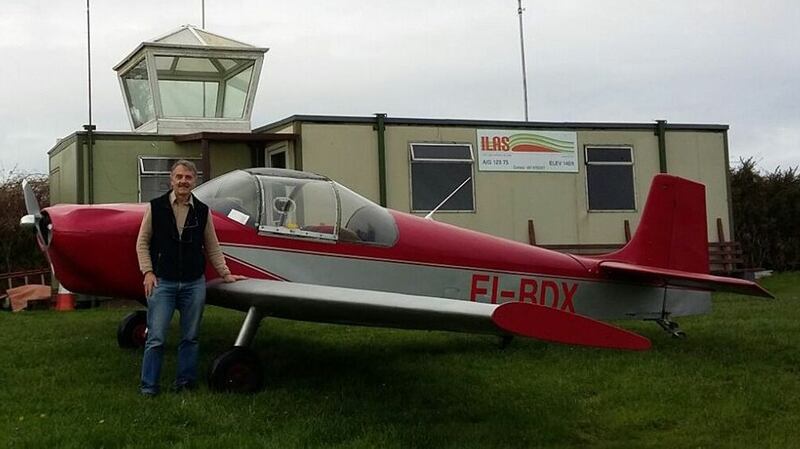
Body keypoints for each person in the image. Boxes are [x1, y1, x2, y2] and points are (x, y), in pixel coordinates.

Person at [136, 160, 245, 396]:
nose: (183, 181)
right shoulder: (155, 207)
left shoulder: (202, 211)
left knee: (191, 337)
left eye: (188, 177)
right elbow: (142, 243)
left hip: (193, 283)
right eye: (179, 177)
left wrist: (226, 274)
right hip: (162, 281)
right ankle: (149, 387)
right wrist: (148, 272)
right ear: (171, 180)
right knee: (156, 338)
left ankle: (185, 383)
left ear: (194, 181)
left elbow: (212, 246)